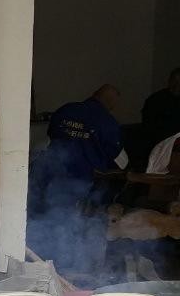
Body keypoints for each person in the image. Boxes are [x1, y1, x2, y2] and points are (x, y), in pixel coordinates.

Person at [27, 85, 126, 272]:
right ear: (111, 103)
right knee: (72, 222)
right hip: (84, 182)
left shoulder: (65, 110)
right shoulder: (108, 121)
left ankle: (43, 261)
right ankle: (68, 266)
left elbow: (51, 137)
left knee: (48, 218)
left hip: (51, 177)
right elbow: (118, 158)